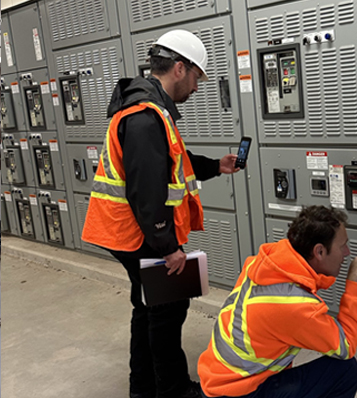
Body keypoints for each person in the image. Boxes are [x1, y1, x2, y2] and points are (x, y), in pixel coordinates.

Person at [82, 29, 240, 398]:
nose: (198, 88)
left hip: (130, 230)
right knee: (168, 306)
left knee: (149, 305)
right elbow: (147, 195)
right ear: (180, 69)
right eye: (198, 77)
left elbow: (172, 163)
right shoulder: (143, 117)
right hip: (136, 233)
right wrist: (168, 247)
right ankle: (172, 389)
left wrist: (216, 165)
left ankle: (144, 387)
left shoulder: (150, 110)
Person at [197, 206, 357, 398]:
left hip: (218, 381)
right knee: (345, 371)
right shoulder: (295, 305)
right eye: (342, 246)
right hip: (238, 392)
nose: (347, 253)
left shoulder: (266, 264)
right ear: (319, 251)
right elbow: (346, 345)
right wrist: (355, 286)